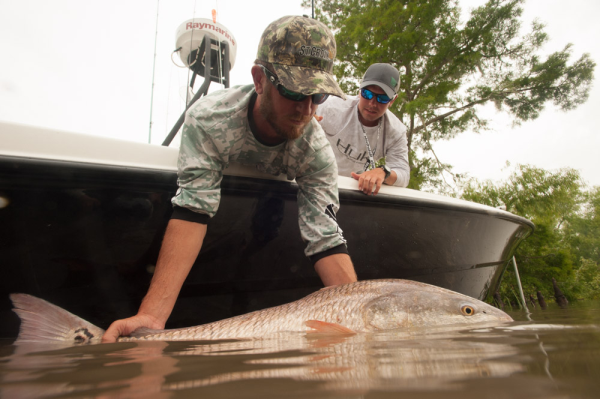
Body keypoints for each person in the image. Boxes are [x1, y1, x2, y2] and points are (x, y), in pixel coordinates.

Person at [102, 16, 358, 342]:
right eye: (294, 90)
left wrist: (356, 313)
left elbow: (325, 237)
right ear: (259, 79)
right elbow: (192, 210)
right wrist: (151, 317)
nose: (306, 109)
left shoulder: (317, 152)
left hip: (266, 230)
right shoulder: (208, 121)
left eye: (317, 96)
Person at [316, 63, 410, 195]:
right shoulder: (332, 107)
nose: (372, 103)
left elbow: (403, 174)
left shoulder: (396, 131)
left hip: (350, 192)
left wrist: (383, 172)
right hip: (315, 180)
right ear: (359, 90)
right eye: (367, 94)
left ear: (392, 100)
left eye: (382, 98)